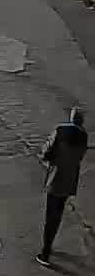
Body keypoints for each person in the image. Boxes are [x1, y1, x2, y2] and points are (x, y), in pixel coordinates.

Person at [38, 106, 87, 266]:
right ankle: (49, 245)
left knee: (49, 215)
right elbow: (80, 157)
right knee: (57, 214)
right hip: (69, 179)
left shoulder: (60, 130)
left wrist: (47, 156)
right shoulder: (83, 136)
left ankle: (46, 252)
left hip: (55, 177)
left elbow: (47, 150)